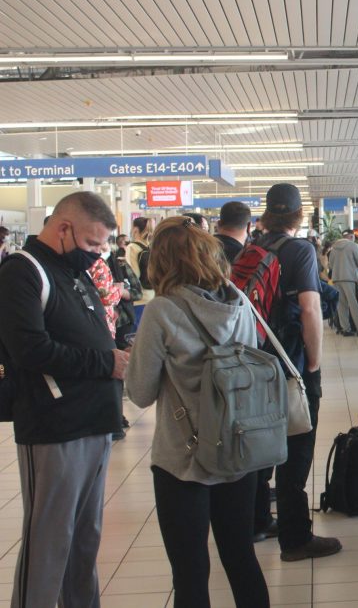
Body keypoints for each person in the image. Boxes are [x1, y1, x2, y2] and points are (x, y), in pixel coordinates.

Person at [125, 217, 270, 608]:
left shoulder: (162, 311)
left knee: (190, 572)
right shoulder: (239, 303)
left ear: (162, 262)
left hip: (182, 459)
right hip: (238, 451)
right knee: (241, 558)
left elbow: (139, 392)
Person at [0, 192, 129, 608]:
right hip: (54, 424)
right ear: (63, 229)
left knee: (85, 537)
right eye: (92, 244)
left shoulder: (74, 270)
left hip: (95, 420)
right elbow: (30, 350)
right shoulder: (22, 271)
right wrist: (105, 363)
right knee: (50, 540)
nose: (98, 253)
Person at [249, 183, 339, 561]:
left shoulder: (252, 249)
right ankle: (296, 537)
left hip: (253, 364)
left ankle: (256, 522)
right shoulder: (299, 250)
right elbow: (310, 310)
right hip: (289, 364)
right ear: (299, 215)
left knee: (261, 449)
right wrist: (313, 368)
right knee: (296, 447)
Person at [329, 229, 358, 337]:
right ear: (351, 236)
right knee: (355, 304)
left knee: (341, 305)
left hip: (337, 279)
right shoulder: (353, 246)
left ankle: (345, 329)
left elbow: (330, 265)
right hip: (351, 279)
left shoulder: (334, 247)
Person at [87, 239, 123, 340]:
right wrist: (119, 289)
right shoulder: (98, 264)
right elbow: (106, 297)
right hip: (102, 319)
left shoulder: (80, 260)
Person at [126, 216, 155, 323]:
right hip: (153, 296)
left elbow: (134, 275)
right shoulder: (151, 247)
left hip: (140, 299)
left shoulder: (132, 247)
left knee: (136, 336)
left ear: (135, 230)